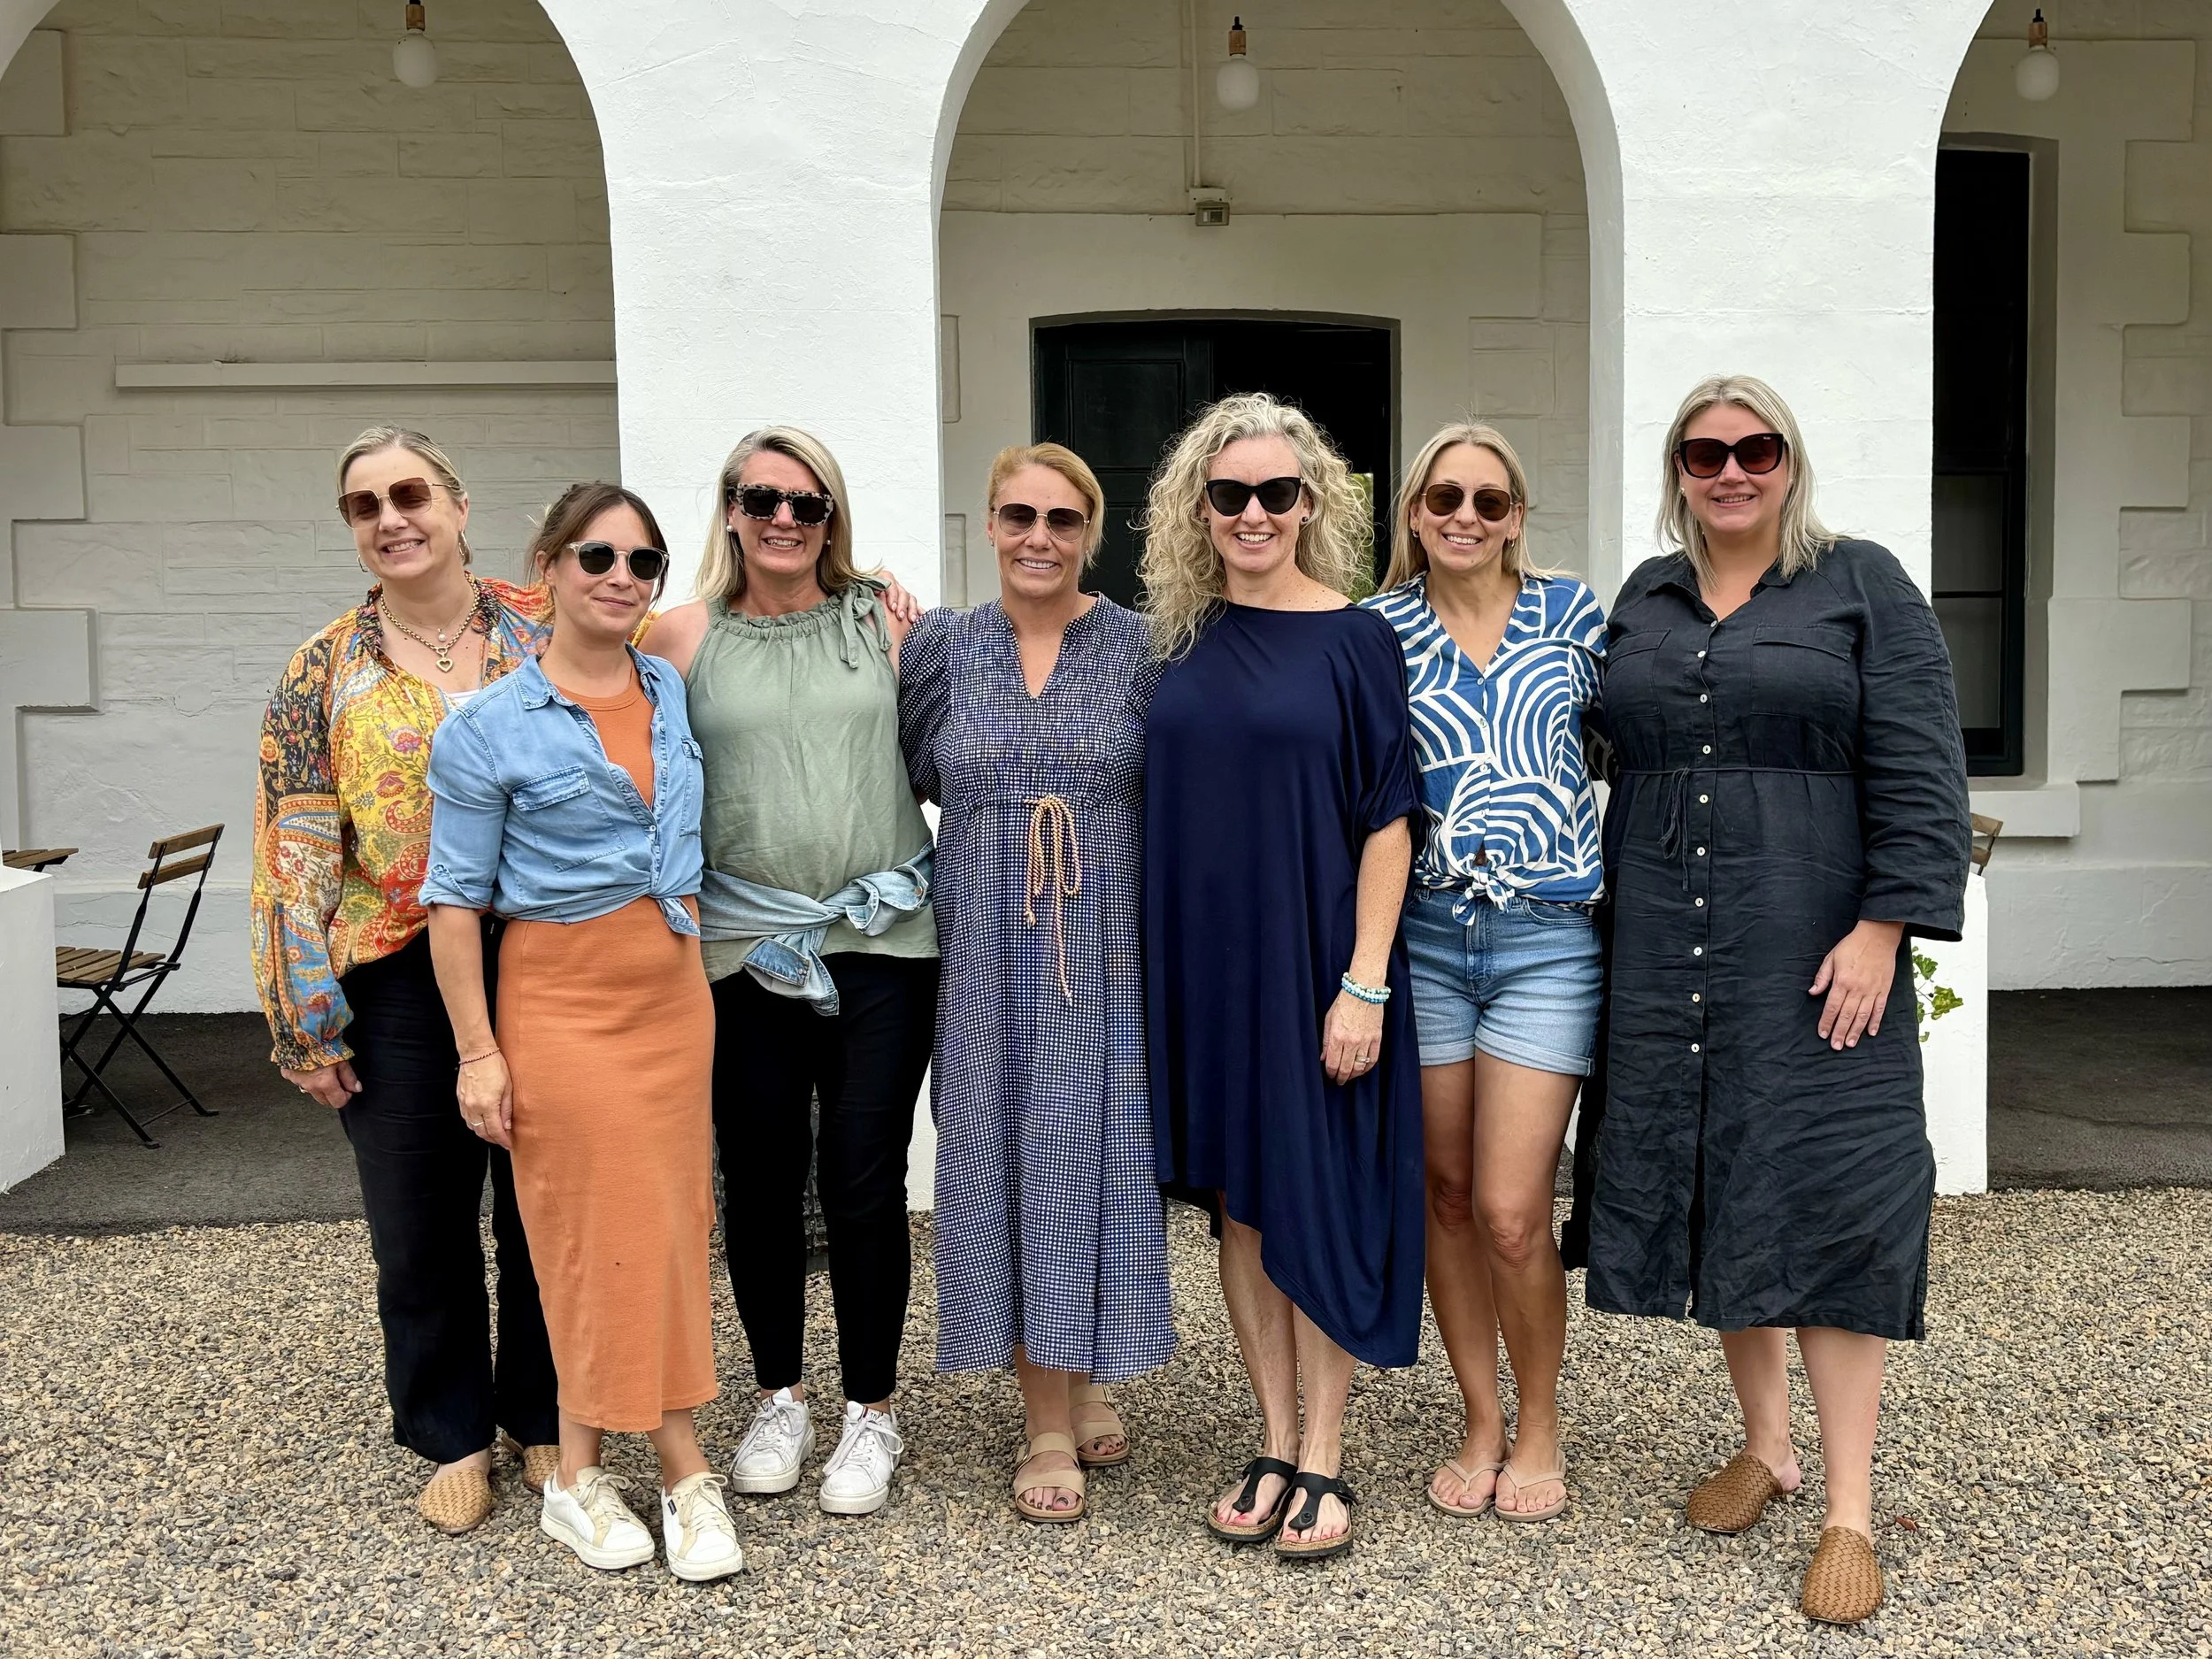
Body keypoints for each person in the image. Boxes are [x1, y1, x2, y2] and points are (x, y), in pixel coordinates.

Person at [1567, 376, 1970, 1624]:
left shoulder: (1861, 583)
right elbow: (1586, 741)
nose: (1731, 470)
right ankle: (1766, 1446)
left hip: (1814, 947)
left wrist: (1883, 928)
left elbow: (1923, 767)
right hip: (1662, 947)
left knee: (1832, 1194)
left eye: (1756, 449)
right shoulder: (1645, 597)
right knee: (1716, 1178)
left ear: (1789, 462)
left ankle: (1848, 1508)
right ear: (1678, 471)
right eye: (1705, 453)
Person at [420, 482, 740, 1582]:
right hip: (559, 1001)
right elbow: (453, 902)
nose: (620, 578)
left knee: (669, 1223)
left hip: (673, 998)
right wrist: (478, 1053)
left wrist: (882, 595)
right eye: (596, 556)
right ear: (548, 567)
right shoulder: (486, 726)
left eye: (643, 563)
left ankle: (577, 1474)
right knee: (587, 1232)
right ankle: (682, 1468)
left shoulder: (666, 686)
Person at [250, 426, 557, 1534]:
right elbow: (293, 850)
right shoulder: (321, 671)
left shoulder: (547, 627)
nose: (391, 518)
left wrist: (872, 593)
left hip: (546, 958)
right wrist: (303, 1021)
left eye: (411, 493)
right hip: (396, 973)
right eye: (364, 504)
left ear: (460, 506)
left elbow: (688, 636)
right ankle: (452, 1434)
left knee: (543, 1207)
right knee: (418, 1220)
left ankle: (544, 1417)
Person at [1142, 392, 1424, 1563]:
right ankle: (1270, 1438)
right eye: (1229, 494)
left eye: (1275, 492)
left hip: (1315, 963)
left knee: (1316, 1196)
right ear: (1199, 508)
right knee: (1242, 1207)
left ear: (1312, 504)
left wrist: (1364, 981)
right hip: (1206, 969)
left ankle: (1324, 1451)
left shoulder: (1356, 638)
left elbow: (1390, 819)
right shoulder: (1171, 641)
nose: (1252, 512)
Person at [641, 427, 937, 1518]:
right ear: (728, 508)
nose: (782, 519)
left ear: (831, 518)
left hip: (881, 940)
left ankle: (870, 1410)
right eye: (760, 497)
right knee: (761, 1178)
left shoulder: (886, 622)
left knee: (863, 1175)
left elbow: (953, 743)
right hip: (739, 950)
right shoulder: (678, 636)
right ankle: (780, 1397)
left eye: (806, 504)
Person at [899, 443, 1175, 1525]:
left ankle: (1081, 1366)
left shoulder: (1143, 647)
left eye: (1062, 520)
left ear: (1090, 533)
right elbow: (908, 775)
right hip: (981, 947)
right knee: (1008, 1155)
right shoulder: (942, 646)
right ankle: (1047, 1419)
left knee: (1091, 1156)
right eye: (1018, 515)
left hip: (1102, 947)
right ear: (988, 524)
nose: (1038, 538)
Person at [1363, 424, 1606, 1525]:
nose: (1465, 516)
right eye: (1444, 497)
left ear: (1516, 518)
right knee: (1447, 1197)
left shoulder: (1574, 616)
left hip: (1544, 941)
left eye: (1489, 501)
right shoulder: (1378, 632)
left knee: (1512, 1209)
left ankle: (1540, 1420)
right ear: (1414, 512)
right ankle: (1479, 1418)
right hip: (1423, 938)